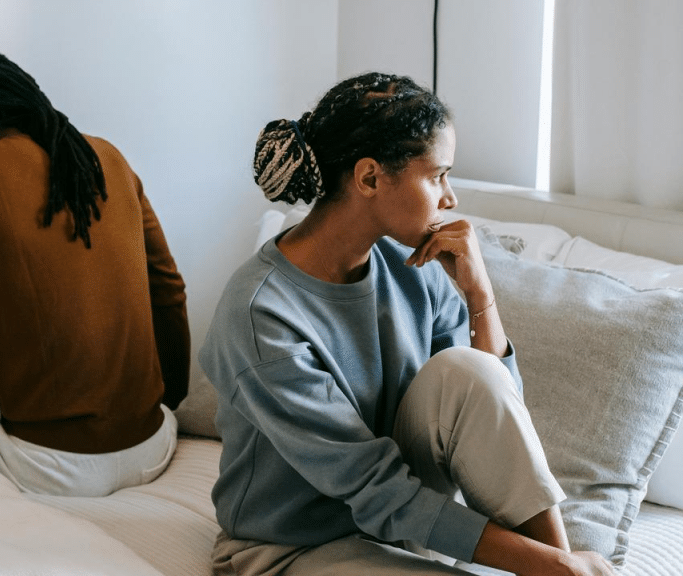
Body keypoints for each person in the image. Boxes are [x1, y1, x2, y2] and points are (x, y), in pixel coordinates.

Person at [198, 73, 614, 575]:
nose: (450, 197)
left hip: (401, 523)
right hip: (290, 547)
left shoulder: (414, 268)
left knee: (470, 370)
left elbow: (496, 415)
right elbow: (377, 489)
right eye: (438, 175)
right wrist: (546, 566)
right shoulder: (262, 314)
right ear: (370, 178)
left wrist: (479, 294)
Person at [0, 44, 190, 498]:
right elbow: (169, 292)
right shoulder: (110, 160)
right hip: (154, 448)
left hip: (51, 468)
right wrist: (168, 406)